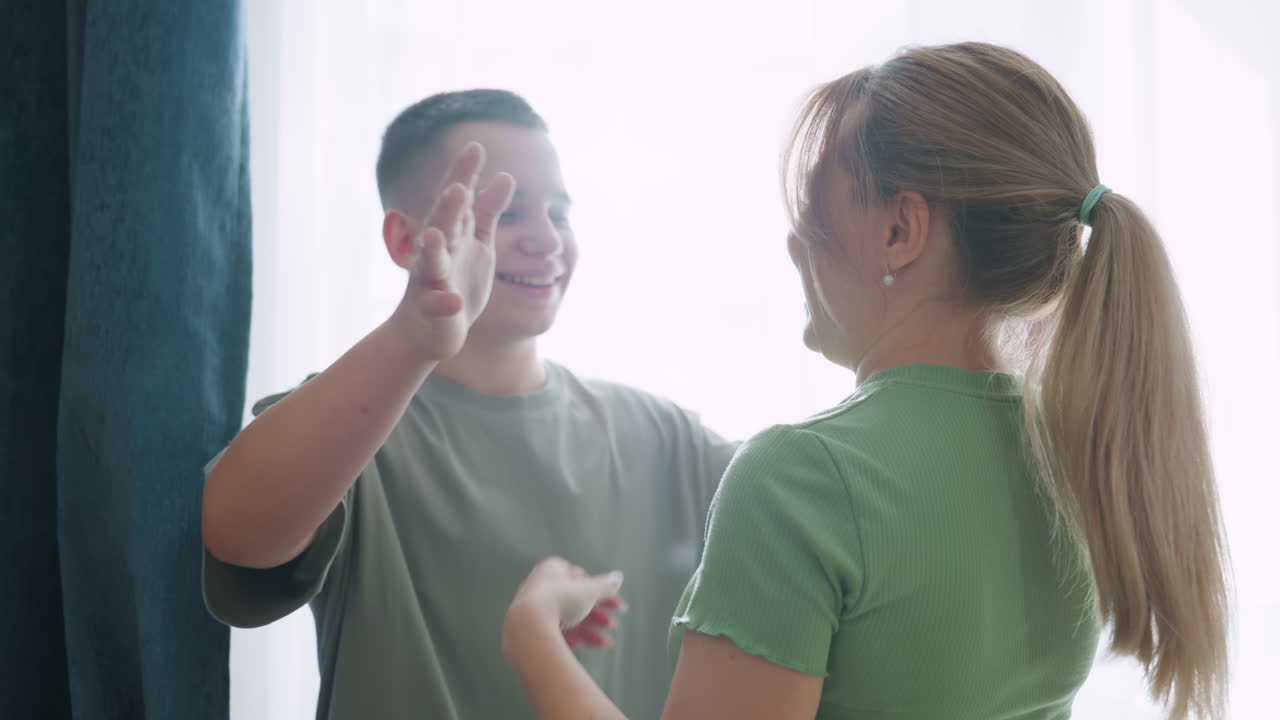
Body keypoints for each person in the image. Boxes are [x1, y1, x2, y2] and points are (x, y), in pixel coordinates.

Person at [503, 42, 1231, 720]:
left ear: (899, 231)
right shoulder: (1076, 455)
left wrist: (532, 636)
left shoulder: (803, 477)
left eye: (816, 202)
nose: (795, 241)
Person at [200, 89, 738, 720]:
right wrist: (413, 337)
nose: (545, 239)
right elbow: (237, 532)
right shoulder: (349, 423)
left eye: (560, 214)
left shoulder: (661, 436)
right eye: (507, 213)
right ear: (405, 238)